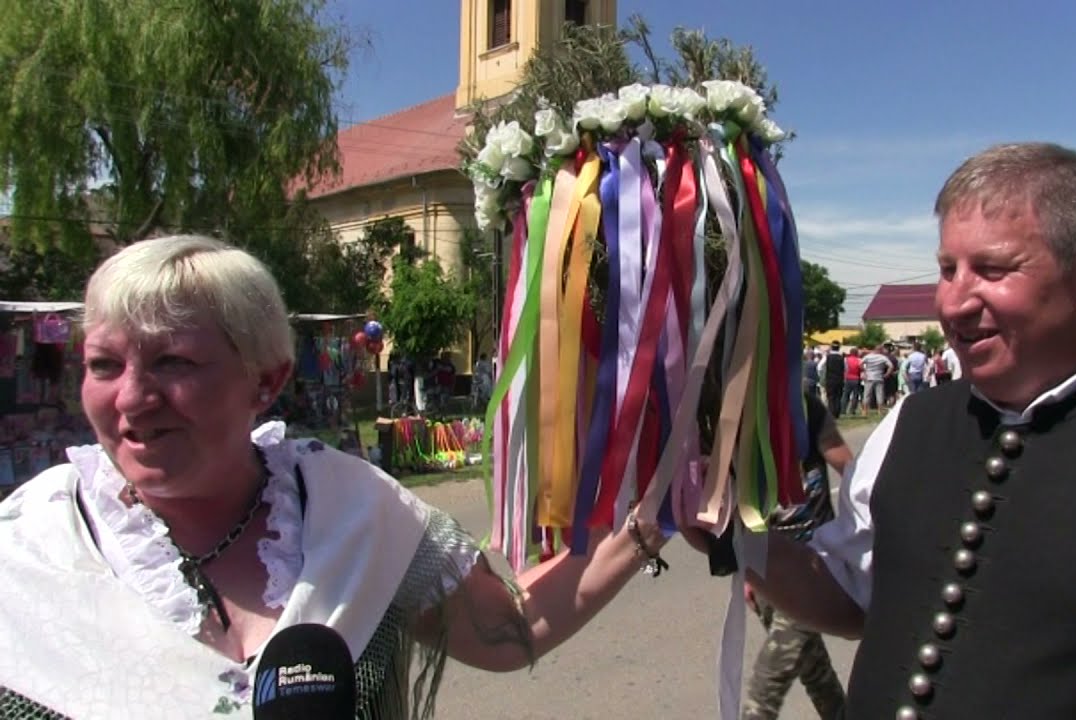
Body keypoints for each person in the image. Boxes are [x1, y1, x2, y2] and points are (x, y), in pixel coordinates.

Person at [692, 143, 1076, 718]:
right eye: (948, 270)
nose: (954, 303)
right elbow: (851, 594)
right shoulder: (910, 423)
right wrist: (723, 527)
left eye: (993, 270)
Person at [0, 236, 668, 718]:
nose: (131, 398)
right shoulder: (29, 548)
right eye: (104, 365)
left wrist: (660, 511)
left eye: (173, 362)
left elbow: (508, 630)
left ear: (267, 381)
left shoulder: (352, 507)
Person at [741, 391, 852, 720]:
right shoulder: (734, 412)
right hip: (768, 566)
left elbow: (850, 469)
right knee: (815, 674)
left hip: (815, 565)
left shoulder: (801, 402)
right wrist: (747, 573)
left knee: (768, 682)